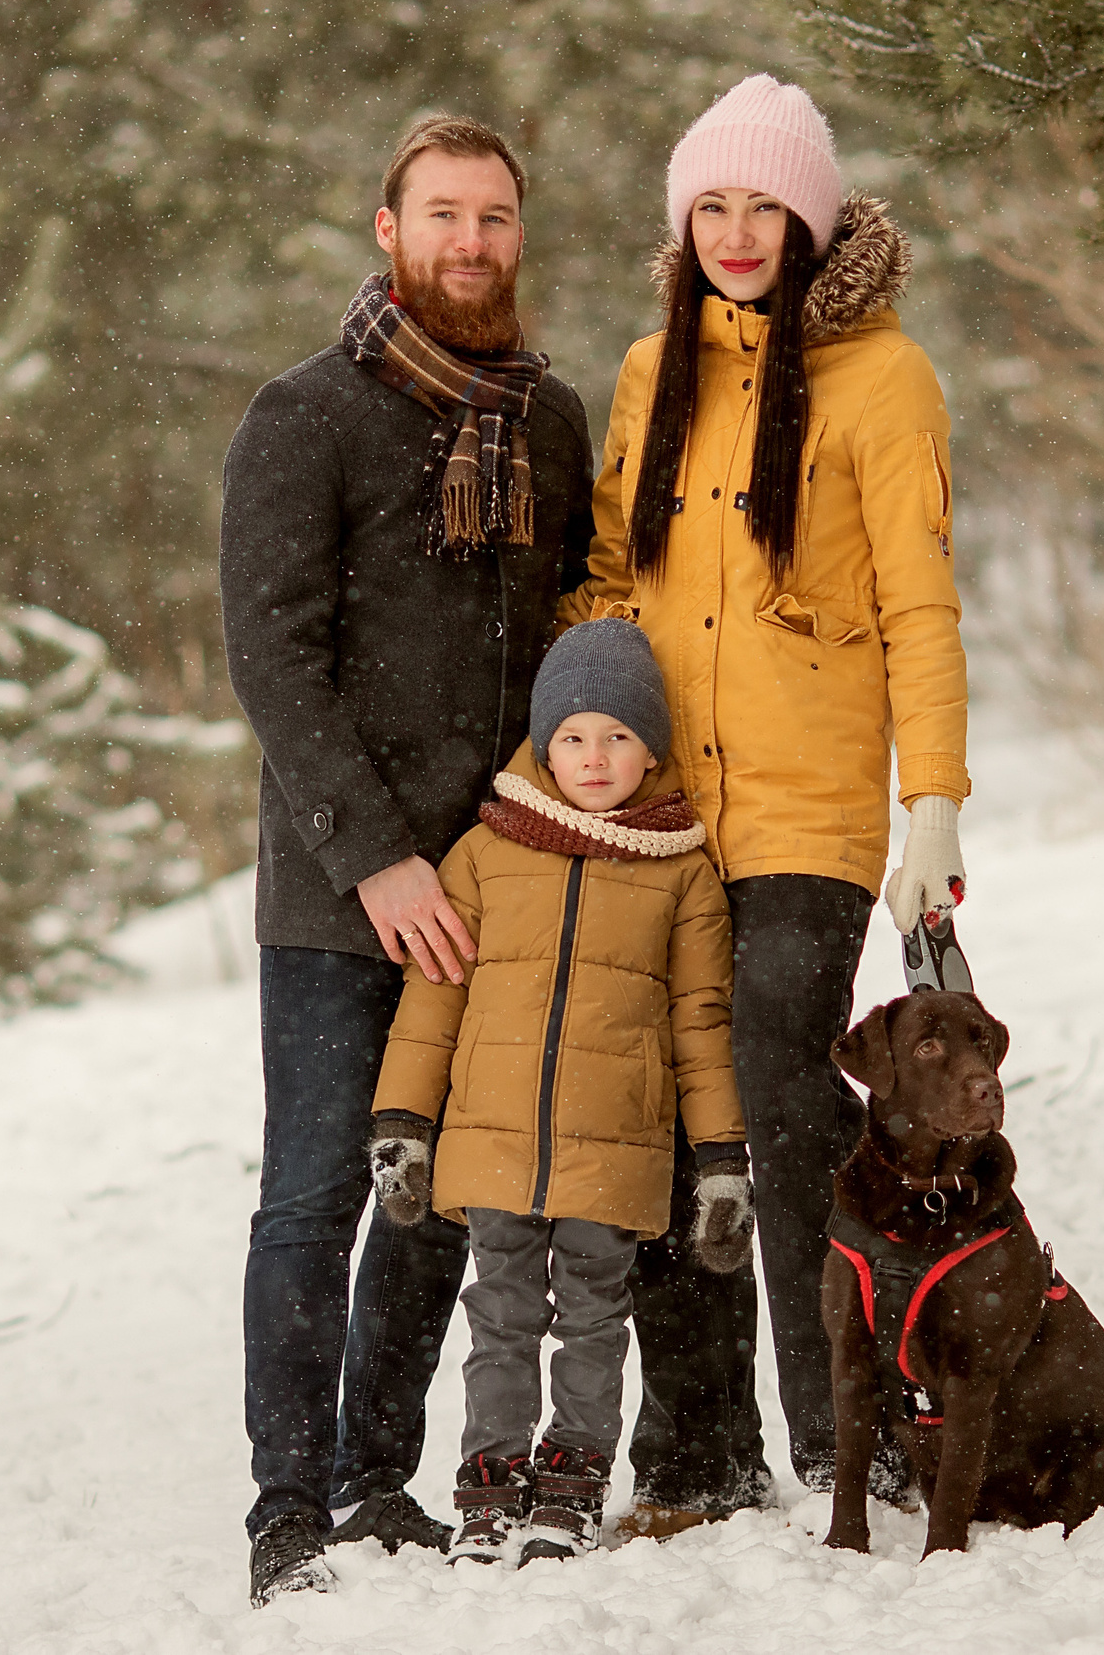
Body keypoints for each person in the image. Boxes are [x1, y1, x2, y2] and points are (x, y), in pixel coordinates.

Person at [564, 73, 971, 1512]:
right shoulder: (646, 371)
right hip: (670, 807)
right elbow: (609, 581)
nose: (739, 232)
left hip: (809, 808)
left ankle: (838, 1420)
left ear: (811, 219)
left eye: (765, 205)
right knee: (679, 1112)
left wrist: (936, 803)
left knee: (788, 1097)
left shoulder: (885, 376)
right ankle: (704, 1442)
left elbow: (923, 606)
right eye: (713, 206)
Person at [219, 113, 597, 1608]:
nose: (470, 242)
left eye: (495, 217)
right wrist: (378, 856)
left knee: (435, 1189)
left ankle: (384, 1479)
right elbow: (273, 659)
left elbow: (571, 645)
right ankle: (288, 1508)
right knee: (315, 1192)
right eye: (442, 213)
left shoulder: (546, 421)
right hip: (341, 885)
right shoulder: (302, 415)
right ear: (389, 228)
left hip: (495, 872)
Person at [364, 618, 755, 1567]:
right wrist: (403, 1125)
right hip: (492, 1147)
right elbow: (430, 1003)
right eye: (572, 736)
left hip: (613, 1151)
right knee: (498, 1317)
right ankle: (490, 1492)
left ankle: (572, 1488)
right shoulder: (483, 853)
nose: (593, 758)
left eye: (619, 736)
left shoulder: (682, 870)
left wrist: (720, 1159)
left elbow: (701, 1026)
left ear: (652, 747)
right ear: (542, 742)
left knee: (592, 1320)